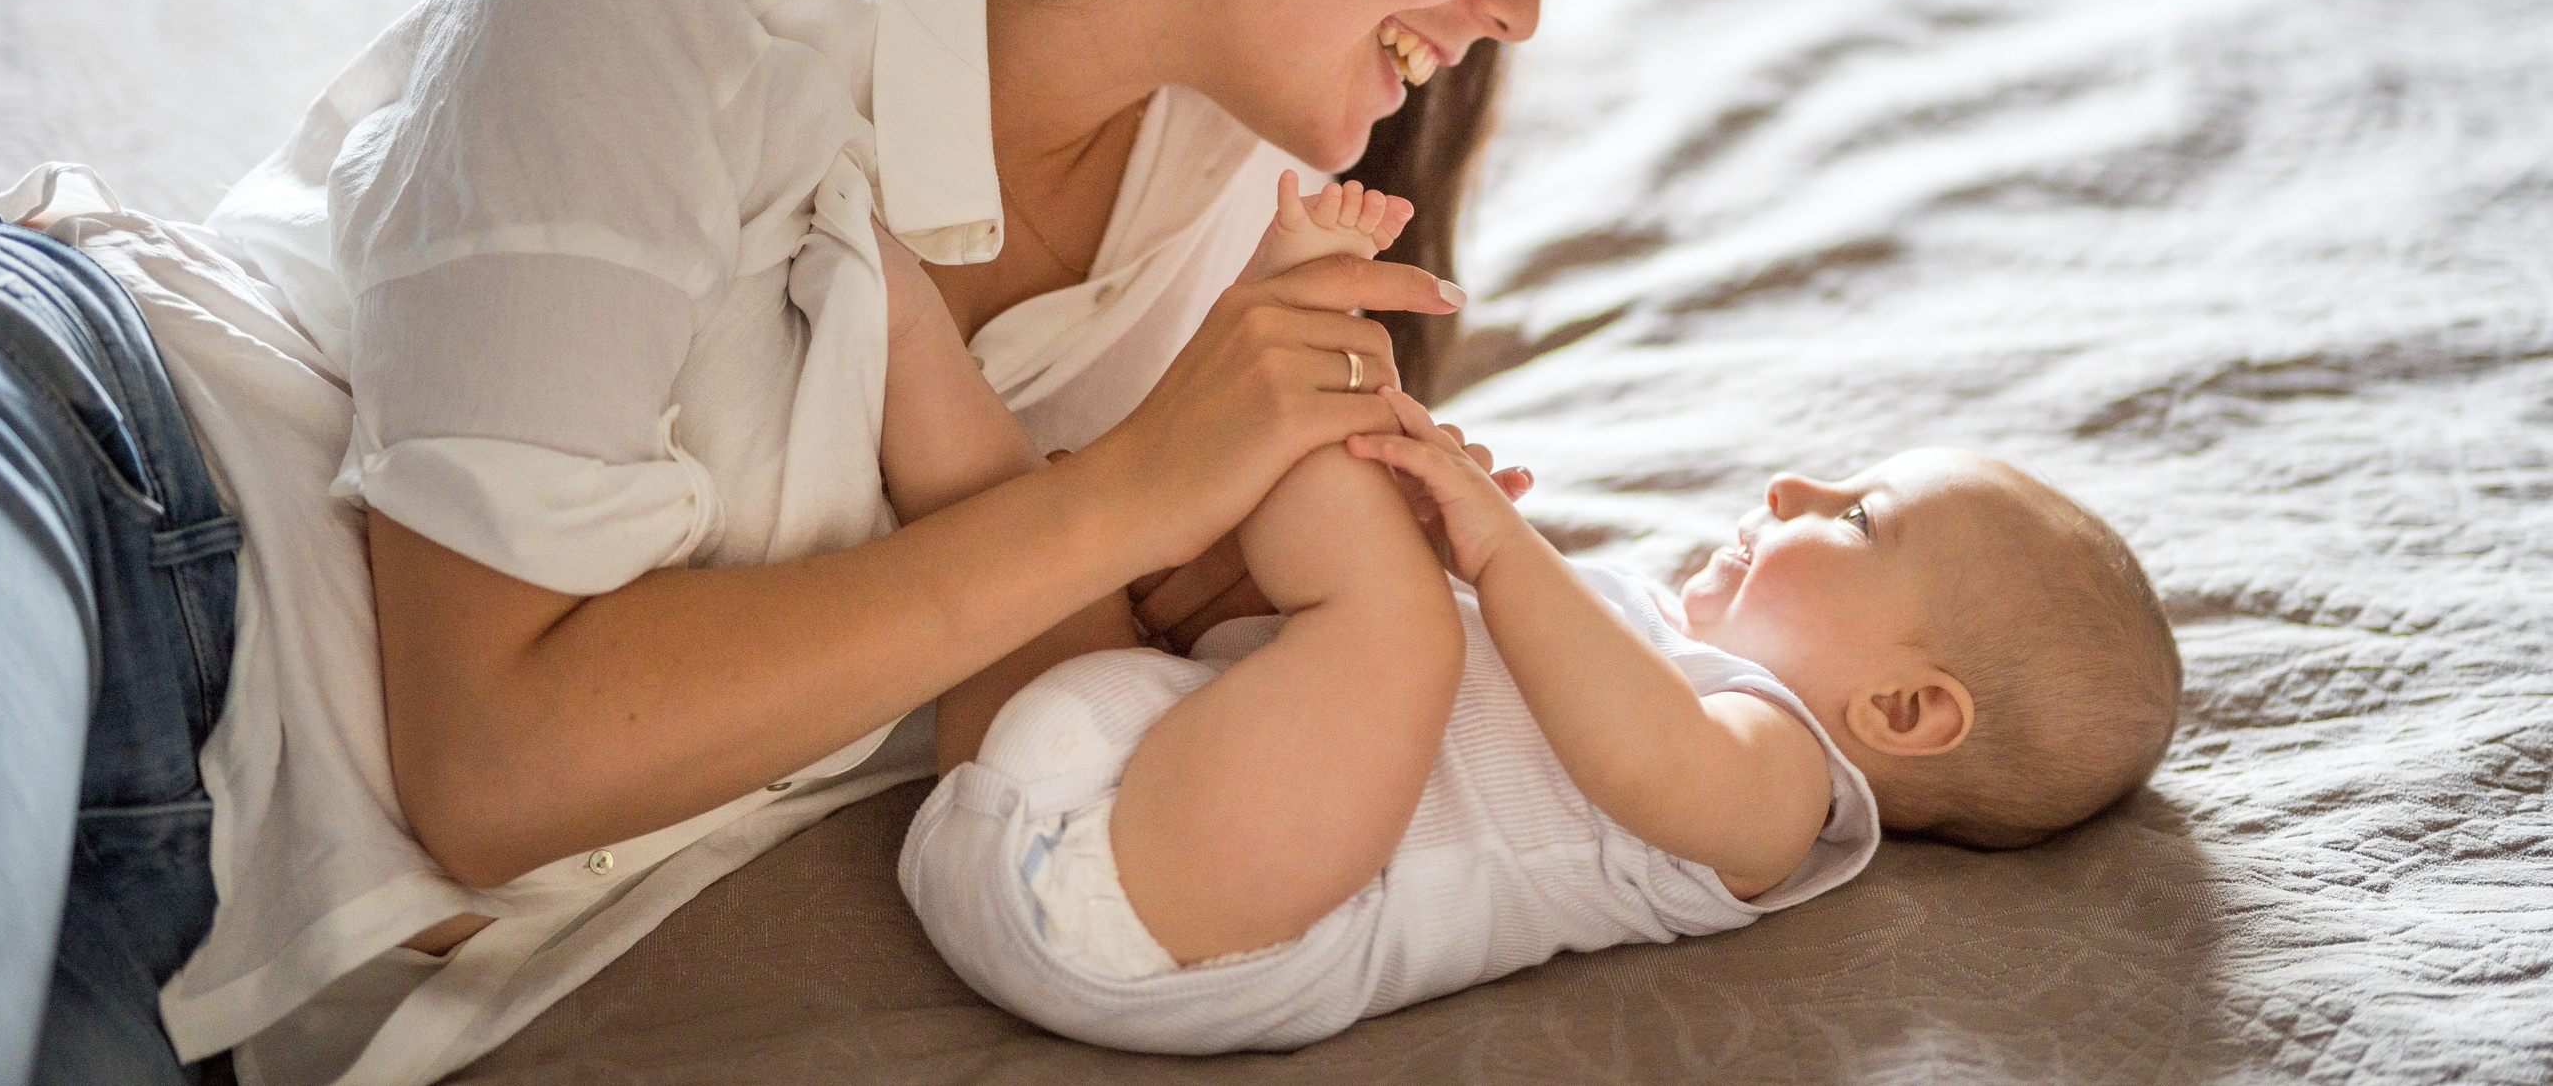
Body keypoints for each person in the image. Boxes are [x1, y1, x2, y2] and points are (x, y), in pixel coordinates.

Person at [0, 0, 1618, 1086]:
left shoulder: (1247, 249)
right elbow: (492, 764)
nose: (1522, 7)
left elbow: (1109, 749)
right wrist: (1125, 499)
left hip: (223, 936)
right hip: (110, 506)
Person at [892, 174, 2185, 1055]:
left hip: (1189, 924)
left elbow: (1640, 755)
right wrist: (1430, 539)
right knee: (1020, 532)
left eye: (1854, 519)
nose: (1793, 486)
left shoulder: (1788, 793)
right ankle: (879, 292)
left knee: (1393, 624)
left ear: (1904, 710)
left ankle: (1294, 332)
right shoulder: (1639, 630)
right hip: (1098, 795)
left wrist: (1492, 554)